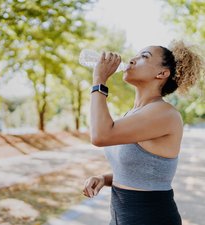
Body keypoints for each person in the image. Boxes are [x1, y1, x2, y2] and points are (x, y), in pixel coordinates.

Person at [83, 40, 204, 225]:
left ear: (162, 73)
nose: (132, 59)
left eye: (144, 56)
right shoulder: (133, 114)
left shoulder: (165, 114)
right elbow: (143, 172)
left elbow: (100, 136)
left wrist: (99, 81)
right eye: (136, 55)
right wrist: (104, 178)